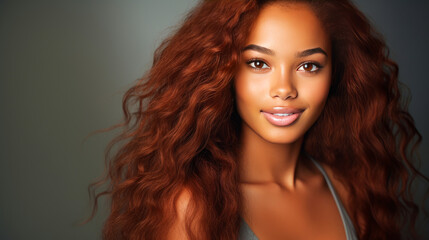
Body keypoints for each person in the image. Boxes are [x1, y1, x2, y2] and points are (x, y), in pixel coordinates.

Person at [86, 0, 428, 239]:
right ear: (223, 72)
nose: (284, 89)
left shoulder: (346, 189)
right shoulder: (192, 207)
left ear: (336, 76)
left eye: (308, 66)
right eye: (258, 64)